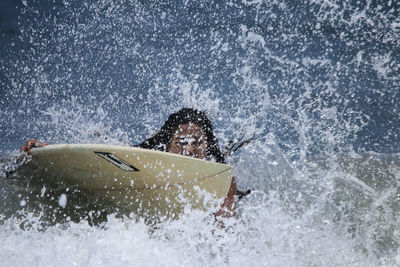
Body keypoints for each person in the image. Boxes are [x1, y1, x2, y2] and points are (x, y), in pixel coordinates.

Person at [21, 108, 250, 219]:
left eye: (197, 142)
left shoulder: (221, 177)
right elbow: (96, 158)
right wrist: (49, 149)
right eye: (181, 142)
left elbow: (223, 230)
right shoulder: (145, 158)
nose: (189, 149)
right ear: (167, 143)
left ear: (208, 144)